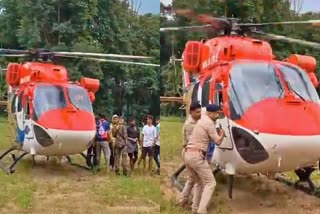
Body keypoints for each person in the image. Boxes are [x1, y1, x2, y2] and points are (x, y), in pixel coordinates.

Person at [184, 104, 225, 214]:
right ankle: (201, 210)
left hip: (188, 154)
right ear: (210, 113)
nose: (218, 115)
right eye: (217, 113)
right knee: (210, 183)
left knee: (198, 182)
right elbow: (217, 141)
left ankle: (194, 207)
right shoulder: (209, 123)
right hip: (197, 156)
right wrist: (221, 134)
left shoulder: (202, 119)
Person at [178, 102, 202, 208]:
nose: (200, 113)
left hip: (190, 153)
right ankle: (195, 207)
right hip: (192, 153)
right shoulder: (190, 125)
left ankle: (182, 200)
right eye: (197, 112)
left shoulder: (196, 121)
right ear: (191, 112)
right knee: (198, 181)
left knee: (191, 178)